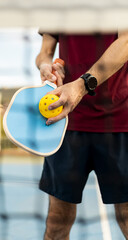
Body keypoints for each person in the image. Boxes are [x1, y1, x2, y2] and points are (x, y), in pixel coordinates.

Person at [36, 32, 128, 240]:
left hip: (120, 122)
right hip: (65, 123)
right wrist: (46, 66)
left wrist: (81, 84)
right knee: (57, 222)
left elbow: (126, 41)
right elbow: (45, 52)